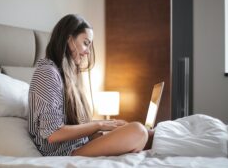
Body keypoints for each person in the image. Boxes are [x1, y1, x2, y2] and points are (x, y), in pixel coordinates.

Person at [28, 14, 152, 157]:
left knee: (149, 133)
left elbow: (72, 123)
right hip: (64, 152)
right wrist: (99, 125)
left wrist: (107, 124)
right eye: (86, 43)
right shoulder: (47, 73)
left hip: (80, 144)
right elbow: (52, 134)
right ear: (69, 39)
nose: (87, 52)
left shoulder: (66, 75)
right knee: (138, 131)